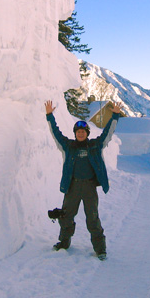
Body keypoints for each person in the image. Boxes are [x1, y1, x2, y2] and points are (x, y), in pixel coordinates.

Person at [44, 100, 121, 260]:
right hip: (72, 187)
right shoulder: (68, 146)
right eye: (78, 131)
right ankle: (64, 243)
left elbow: (107, 133)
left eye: (83, 132)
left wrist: (115, 115)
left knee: (92, 218)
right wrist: (50, 115)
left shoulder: (95, 146)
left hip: (89, 188)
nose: (80, 134)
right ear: (75, 133)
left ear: (87, 133)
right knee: (66, 216)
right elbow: (56, 134)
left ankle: (100, 249)